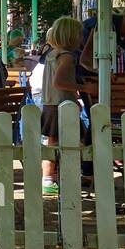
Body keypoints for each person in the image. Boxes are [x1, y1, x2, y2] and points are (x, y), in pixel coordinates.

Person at [40, 17, 97, 199]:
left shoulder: (51, 53)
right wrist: (84, 88)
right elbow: (59, 82)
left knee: (52, 143)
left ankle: (48, 179)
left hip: (50, 103)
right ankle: (68, 176)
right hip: (62, 105)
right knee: (72, 143)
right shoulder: (67, 56)